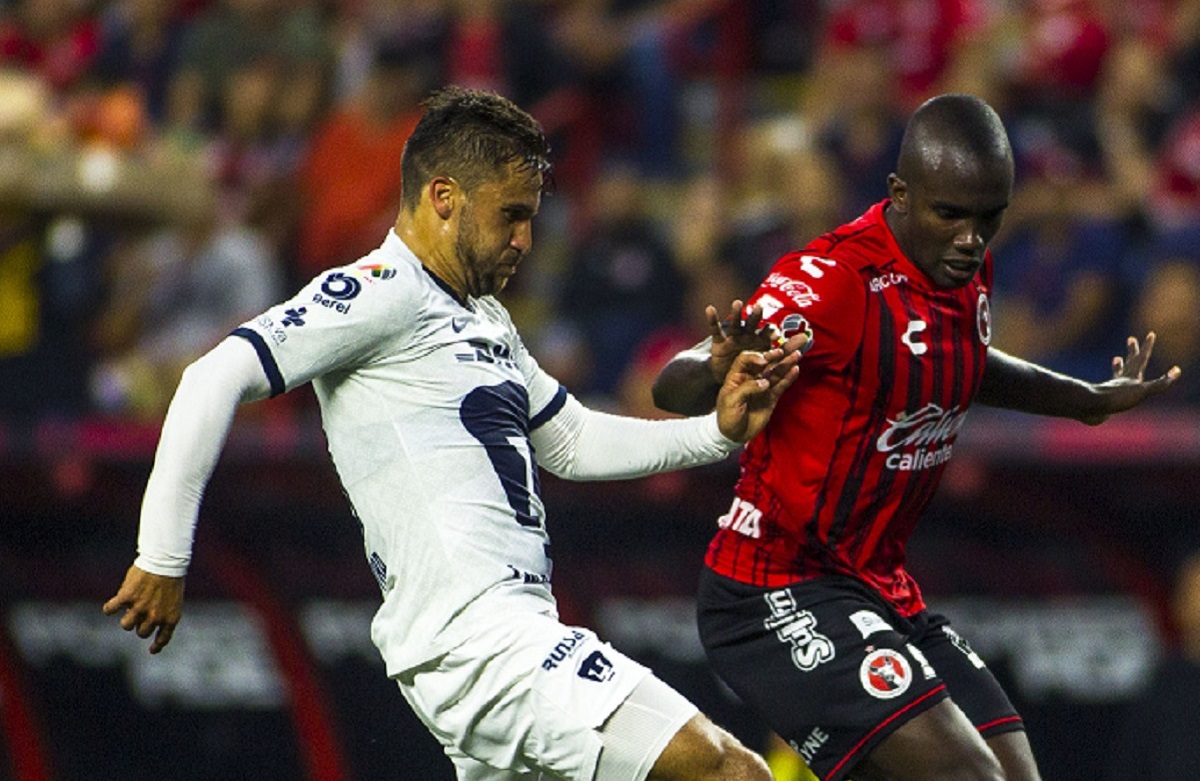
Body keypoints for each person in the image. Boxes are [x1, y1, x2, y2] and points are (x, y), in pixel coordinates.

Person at [103, 86, 801, 781]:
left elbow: (573, 441)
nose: (526, 239)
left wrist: (716, 433)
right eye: (512, 215)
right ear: (443, 197)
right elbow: (211, 377)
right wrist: (162, 554)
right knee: (726, 770)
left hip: (500, 638)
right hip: (483, 640)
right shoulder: (379, 291)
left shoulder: (487, 318)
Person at [651, 93, 1181, 781]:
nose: (970, 239)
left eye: (988, 219)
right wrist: (719, 363)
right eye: (950, 215)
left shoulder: (962, 267)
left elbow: (961, 357)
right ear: (900, 193)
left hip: (879, 587)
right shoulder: (833, 282)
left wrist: (1082, 400)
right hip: (775, 588)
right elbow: (674, 383)